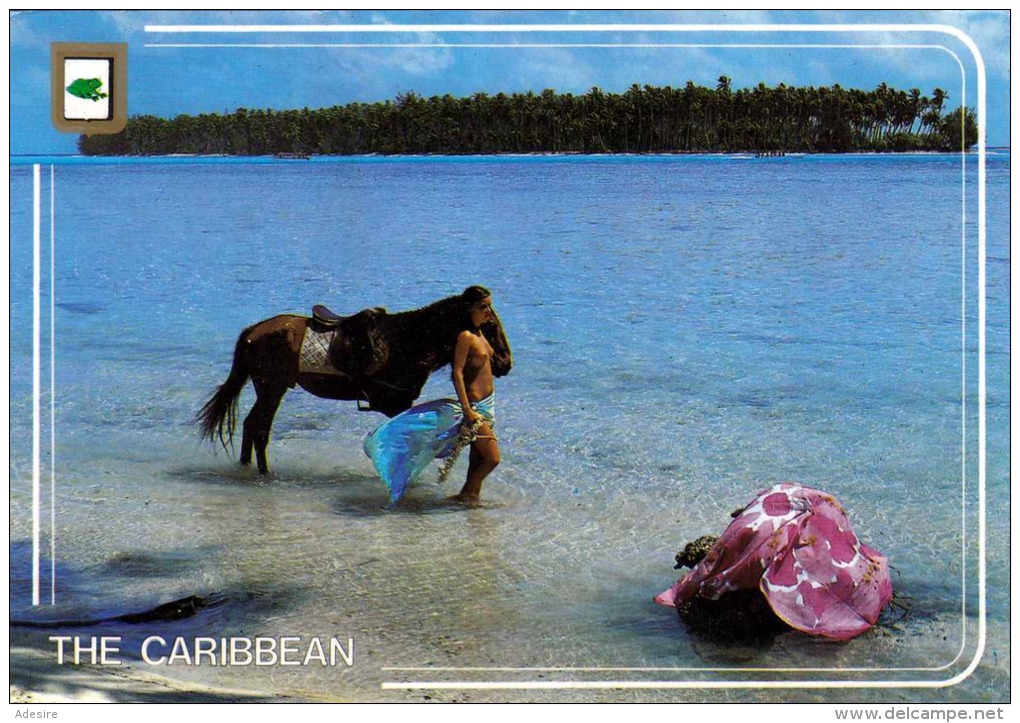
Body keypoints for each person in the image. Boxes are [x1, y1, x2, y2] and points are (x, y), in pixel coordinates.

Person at [363, 286, 501, 506]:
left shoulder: (481, 334)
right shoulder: (466, 337)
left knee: (478, 458)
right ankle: (466, 496)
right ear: (469, 309)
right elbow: (456, 373)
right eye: (483, 307)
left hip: (488, 404)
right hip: (475, 407)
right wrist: (467, 410)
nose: (488, 311)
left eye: (490, 306)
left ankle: (469, 497)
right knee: (492, 459)